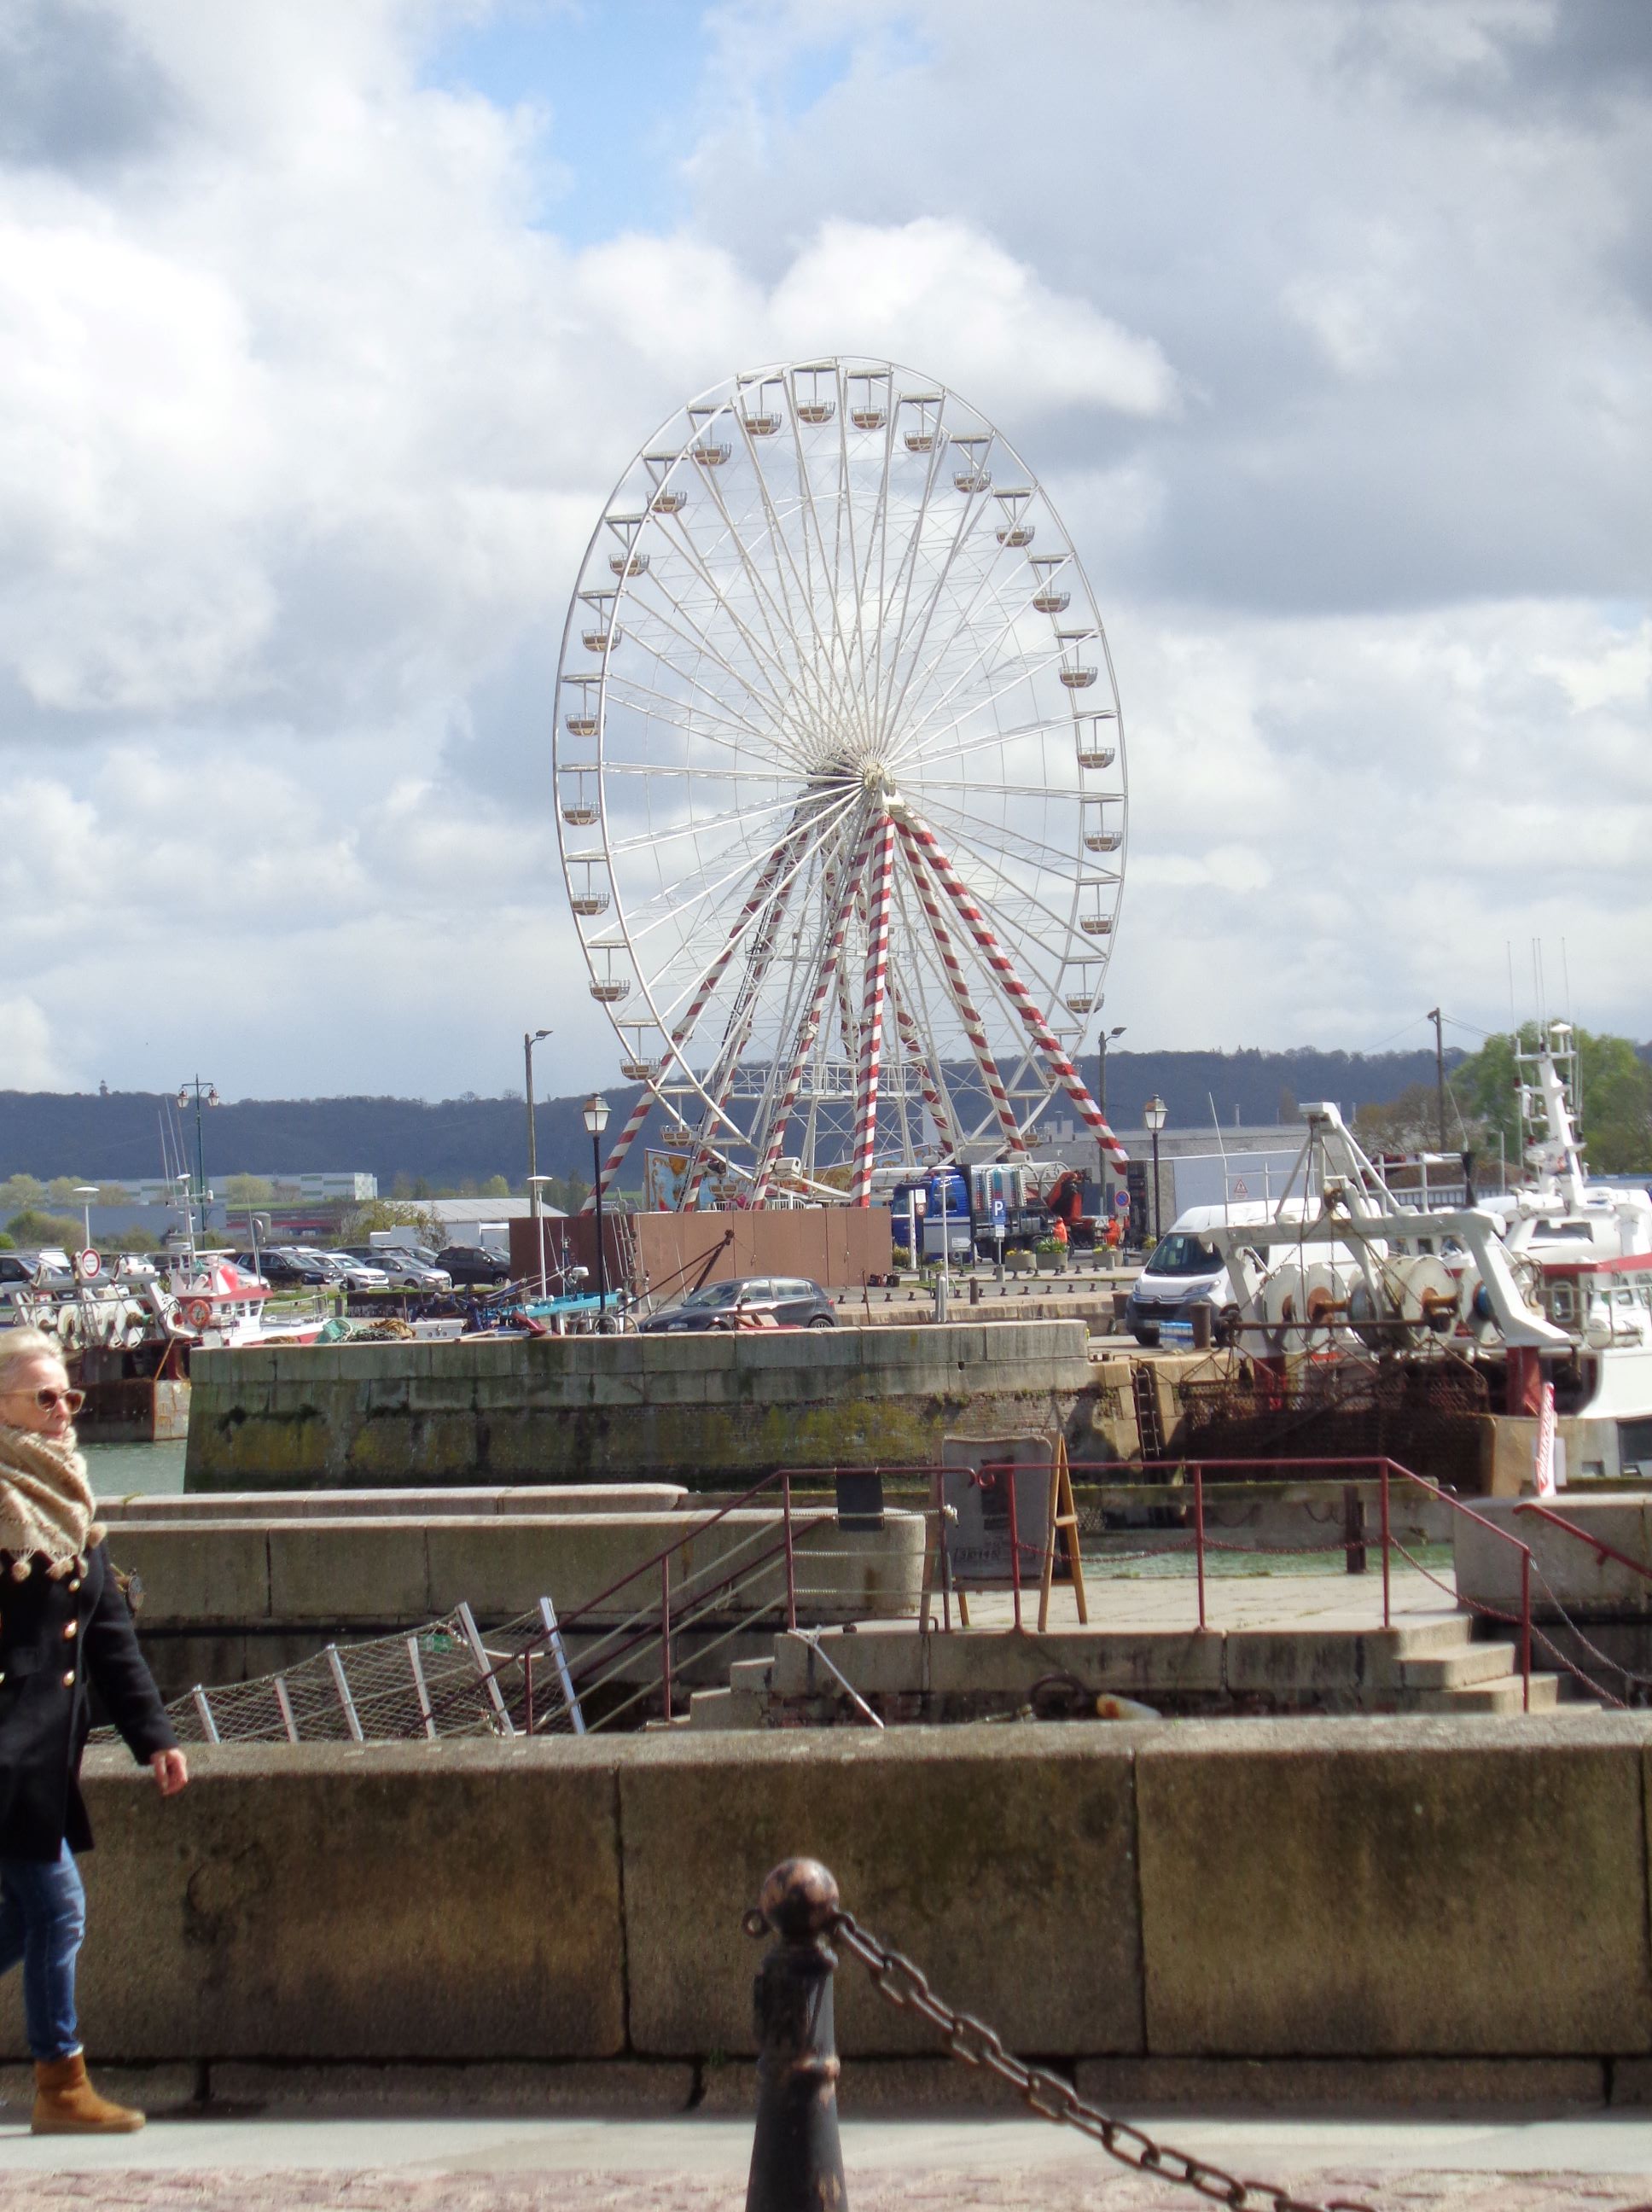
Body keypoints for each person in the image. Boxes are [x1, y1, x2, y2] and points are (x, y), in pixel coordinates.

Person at [0, 1328, 188, 2134]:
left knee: (27, 1917)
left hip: (42, 1762)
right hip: (7, 1757)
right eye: (45, 1398)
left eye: (68, 1396)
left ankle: (59, 2086)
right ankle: (60, 2085)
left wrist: (155, 1737)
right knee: (58, 1910)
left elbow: (110, 1637)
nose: (63, 1412)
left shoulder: (69, 1499)